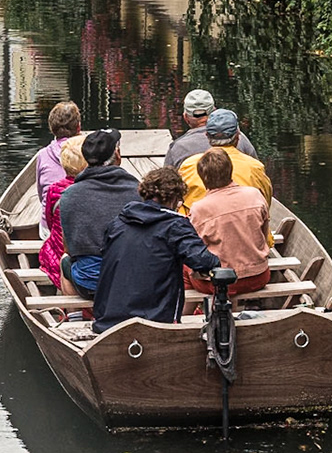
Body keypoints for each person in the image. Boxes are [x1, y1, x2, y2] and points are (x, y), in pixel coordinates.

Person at [91, 168, 220, 333]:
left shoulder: (118, 223)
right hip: (155, 322)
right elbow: (205, 261)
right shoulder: (174, 225)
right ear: (174, 199)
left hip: (107, 321)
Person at [54, 129, 135, 297]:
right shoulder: (138, 190)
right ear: (117, 155)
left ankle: (74, 318)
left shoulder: (69, 196)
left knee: (64, 261)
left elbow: (69, 249)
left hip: (91, 284)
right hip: (133, 281)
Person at [185, 148, 271, 298]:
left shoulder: (199, 209)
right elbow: (264, 236)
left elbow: (195, 251)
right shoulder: (255, 195)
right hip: (258, 277)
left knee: (183, 265)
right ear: (230, 170)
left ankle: (187, 314)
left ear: (203, 178)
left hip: (217, 283)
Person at [177, 108, 271, 210]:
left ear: (207, 136)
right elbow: (266, 201)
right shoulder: (255, 168)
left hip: (198, 224)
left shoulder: (188, 166)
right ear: (237, 136)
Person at [163, 88, 259, 171]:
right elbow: (257, 171)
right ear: (214, 111)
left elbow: (167, 184)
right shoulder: (239, 138)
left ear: (186, 117)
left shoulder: (177, 148)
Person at [38, 139, 87, 289]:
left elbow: (50, 221)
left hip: (60, 248)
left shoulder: (54, 190)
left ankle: (72, 311)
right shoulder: (92, 188)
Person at [35, 101, 82, 195]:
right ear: (78, 128)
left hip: (51, 207)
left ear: (52, 129)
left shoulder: (42, 155)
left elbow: (40, 194)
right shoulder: (85, 152)